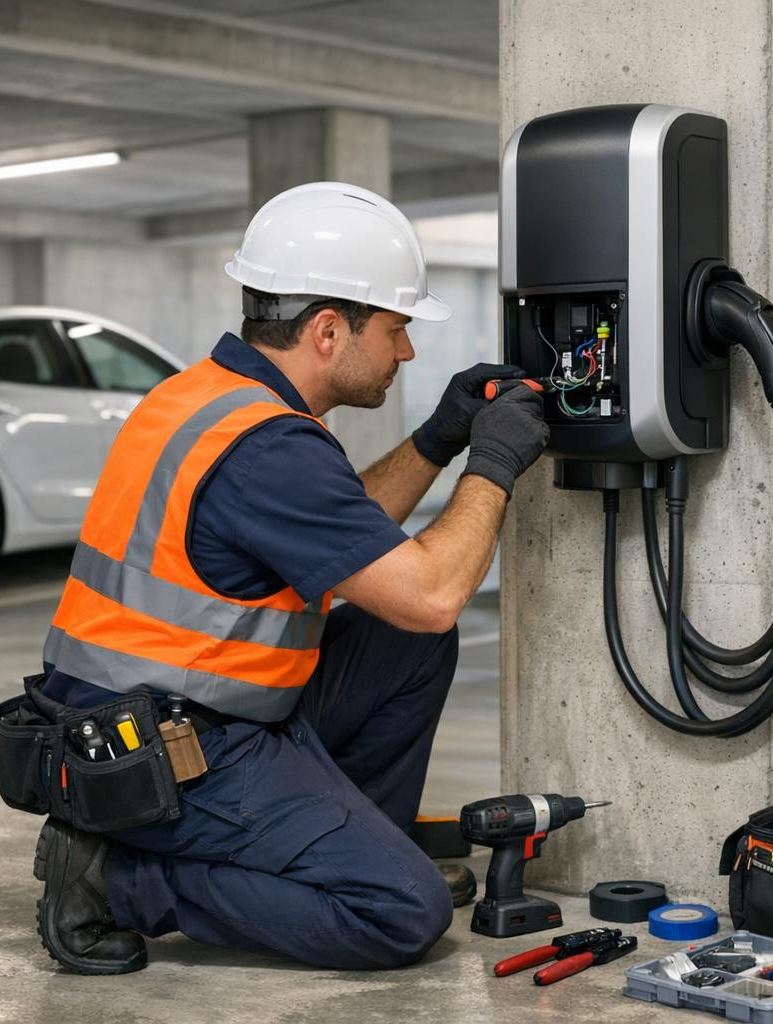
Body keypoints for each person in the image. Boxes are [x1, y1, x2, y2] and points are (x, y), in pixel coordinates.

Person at [29, 181, 550, 974]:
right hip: (168, 751)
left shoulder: (210, 399)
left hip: (154, 713)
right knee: (404, 911)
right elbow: (433, 594)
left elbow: (334, 537)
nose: (406, 352)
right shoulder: (269, 448)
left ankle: (355, 849)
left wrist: (438, 440)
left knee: (400, 645)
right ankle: (119, 879)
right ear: (330, 330)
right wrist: (497, 461)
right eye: (398, 328)